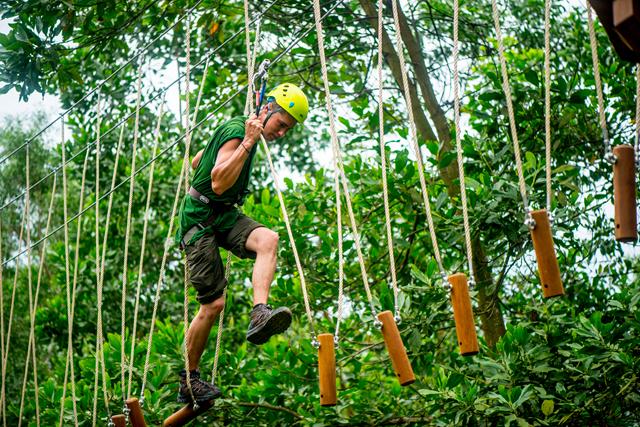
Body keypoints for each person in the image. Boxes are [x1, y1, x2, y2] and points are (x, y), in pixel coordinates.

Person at [174, 83, 309, 404]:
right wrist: (246, 142)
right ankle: (189, 381)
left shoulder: (240, 132)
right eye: (281, 124)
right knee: (213, 305)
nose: (281, 133)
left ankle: (260, 312)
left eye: (287, 130)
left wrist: (219, 152)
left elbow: (198, 162)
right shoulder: (241, 132)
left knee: (268, 239)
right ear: (267, 109)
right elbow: (219, 183)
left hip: (222, 214)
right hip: (199, 220)